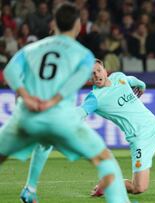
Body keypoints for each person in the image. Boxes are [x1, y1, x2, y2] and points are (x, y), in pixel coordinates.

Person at [21, 59, 155, 197]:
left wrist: (141, 86)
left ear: (105, 69)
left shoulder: (119, 78)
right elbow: (81, 112)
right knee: (139, 188)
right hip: (140, 140)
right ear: (89, 78)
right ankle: (109, 183)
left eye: (98, 70)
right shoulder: (95, 97)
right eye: (92, 74)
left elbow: (136, 81)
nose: (97, 75)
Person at [0, 3, 130, 203]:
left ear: (55, 23)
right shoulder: (83, 55)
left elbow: (9, 72)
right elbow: (73, 84)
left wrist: (26, 97)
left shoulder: (32, 48)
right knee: (105, 160)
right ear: (78, 25)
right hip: (59, 119)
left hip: (25, 116)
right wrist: (52, 100)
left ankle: (30, 190)